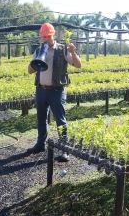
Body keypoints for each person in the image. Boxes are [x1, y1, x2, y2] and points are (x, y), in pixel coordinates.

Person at [26, 23, 82, 162]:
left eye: (48, 36)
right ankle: (40, 144)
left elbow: (78, 65)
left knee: (60, 120)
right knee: (41, 119)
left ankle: (64, 149)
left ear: (54, 35)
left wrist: (73, 52)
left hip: (56, 90)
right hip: (41, 89)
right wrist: (37, 60)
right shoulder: (39, 50)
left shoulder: (62, 49)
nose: (46, 39)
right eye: (43, 36)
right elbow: (30, 70)